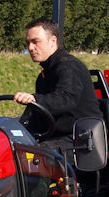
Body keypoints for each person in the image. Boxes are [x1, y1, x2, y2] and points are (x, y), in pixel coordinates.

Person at [15, 18, 102, 153]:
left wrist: (34, 99)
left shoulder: (68, 67)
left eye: (35, 42)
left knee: (30, 155)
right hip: (58, 137)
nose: (30, 48)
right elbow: (42, 113)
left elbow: (65, 99)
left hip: (81, 140)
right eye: (28, 43)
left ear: (53, 41)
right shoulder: (44, 75)